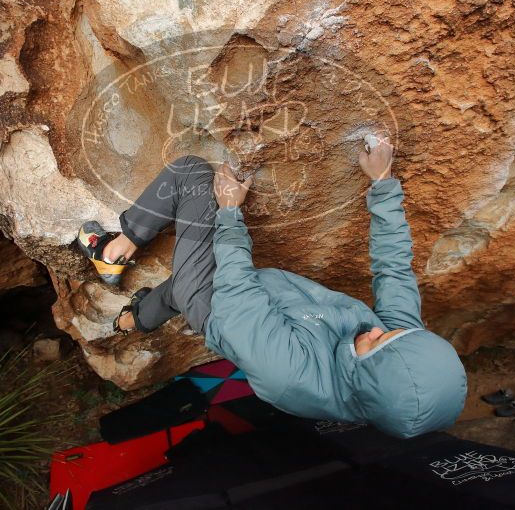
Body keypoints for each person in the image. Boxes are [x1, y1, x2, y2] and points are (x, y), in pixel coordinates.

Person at [76, 132, 467, 439]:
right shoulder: (396, 349)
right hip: (260, 297)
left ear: (368, 378)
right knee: (180, 284)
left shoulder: (292, 379)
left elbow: (237, 296)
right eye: (396, 331)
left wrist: (229, 212)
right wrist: (383, 185)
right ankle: (132, 321)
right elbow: (395, 270)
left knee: (191, 175)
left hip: (221, 307)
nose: (378, 327)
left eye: (377, 342)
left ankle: (111, 252)